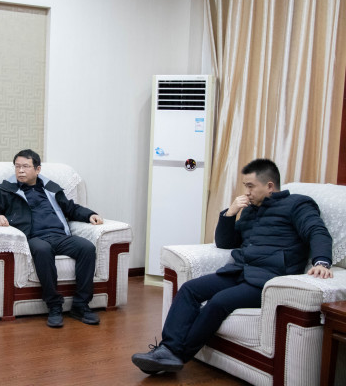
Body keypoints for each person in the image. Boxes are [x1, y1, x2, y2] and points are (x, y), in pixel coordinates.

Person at [132, 158, 333, 374]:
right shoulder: (250, 210)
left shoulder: (298, 204)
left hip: (268, 279)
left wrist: (321, 262)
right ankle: (167, 349)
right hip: (238, 271)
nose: (246, 192)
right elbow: (225, 243)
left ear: (269, 186)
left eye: (250, 186)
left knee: (219, 302)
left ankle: (176, 355)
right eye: (245, 186)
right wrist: (230, 214)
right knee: (190, 289)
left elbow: (317, 231)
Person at [0, 149, 104, 328]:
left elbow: (71, 208)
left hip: (60, 236)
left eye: (25, 166)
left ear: (37, 169)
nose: (20, 170)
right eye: (17, 166)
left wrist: (90, 215)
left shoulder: (51, 189)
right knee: (43, 250)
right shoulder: (5, 190)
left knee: (87, 248)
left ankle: (81, 305)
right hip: (34, 237)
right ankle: (54, 306)